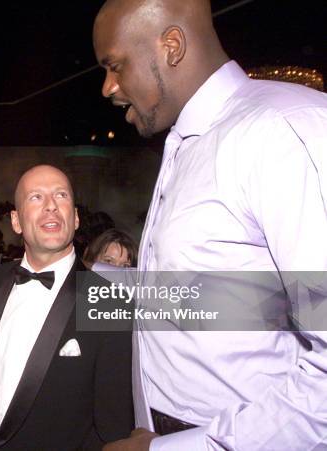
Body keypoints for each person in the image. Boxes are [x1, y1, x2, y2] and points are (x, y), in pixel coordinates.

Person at [93, 0, 327, 450]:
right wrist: (93, 291)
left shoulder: (283, 132)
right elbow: (221, 292)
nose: (108, 87)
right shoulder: (187, 141)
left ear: (172, 46)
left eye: (115, 66)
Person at [0, 165, 134, 450]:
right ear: (16, 221)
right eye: (36, 197)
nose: (51, 207)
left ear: (76, 217)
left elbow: (112, 426)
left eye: (61, 196)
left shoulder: (109, 300)